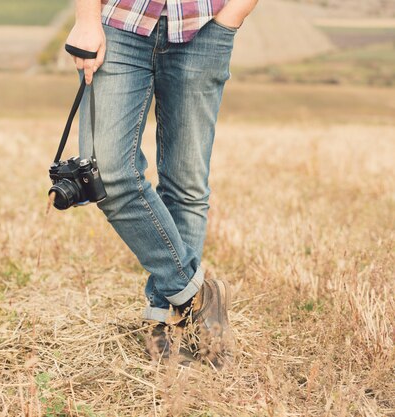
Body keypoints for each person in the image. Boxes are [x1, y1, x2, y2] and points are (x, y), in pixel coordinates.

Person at [65, 0, 259, 368]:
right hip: (119, 22)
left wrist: (232, 15)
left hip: (204, 26)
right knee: (105, 171)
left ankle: (168, 318)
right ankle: (197, 294)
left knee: (186, 184)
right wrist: (86, 20)